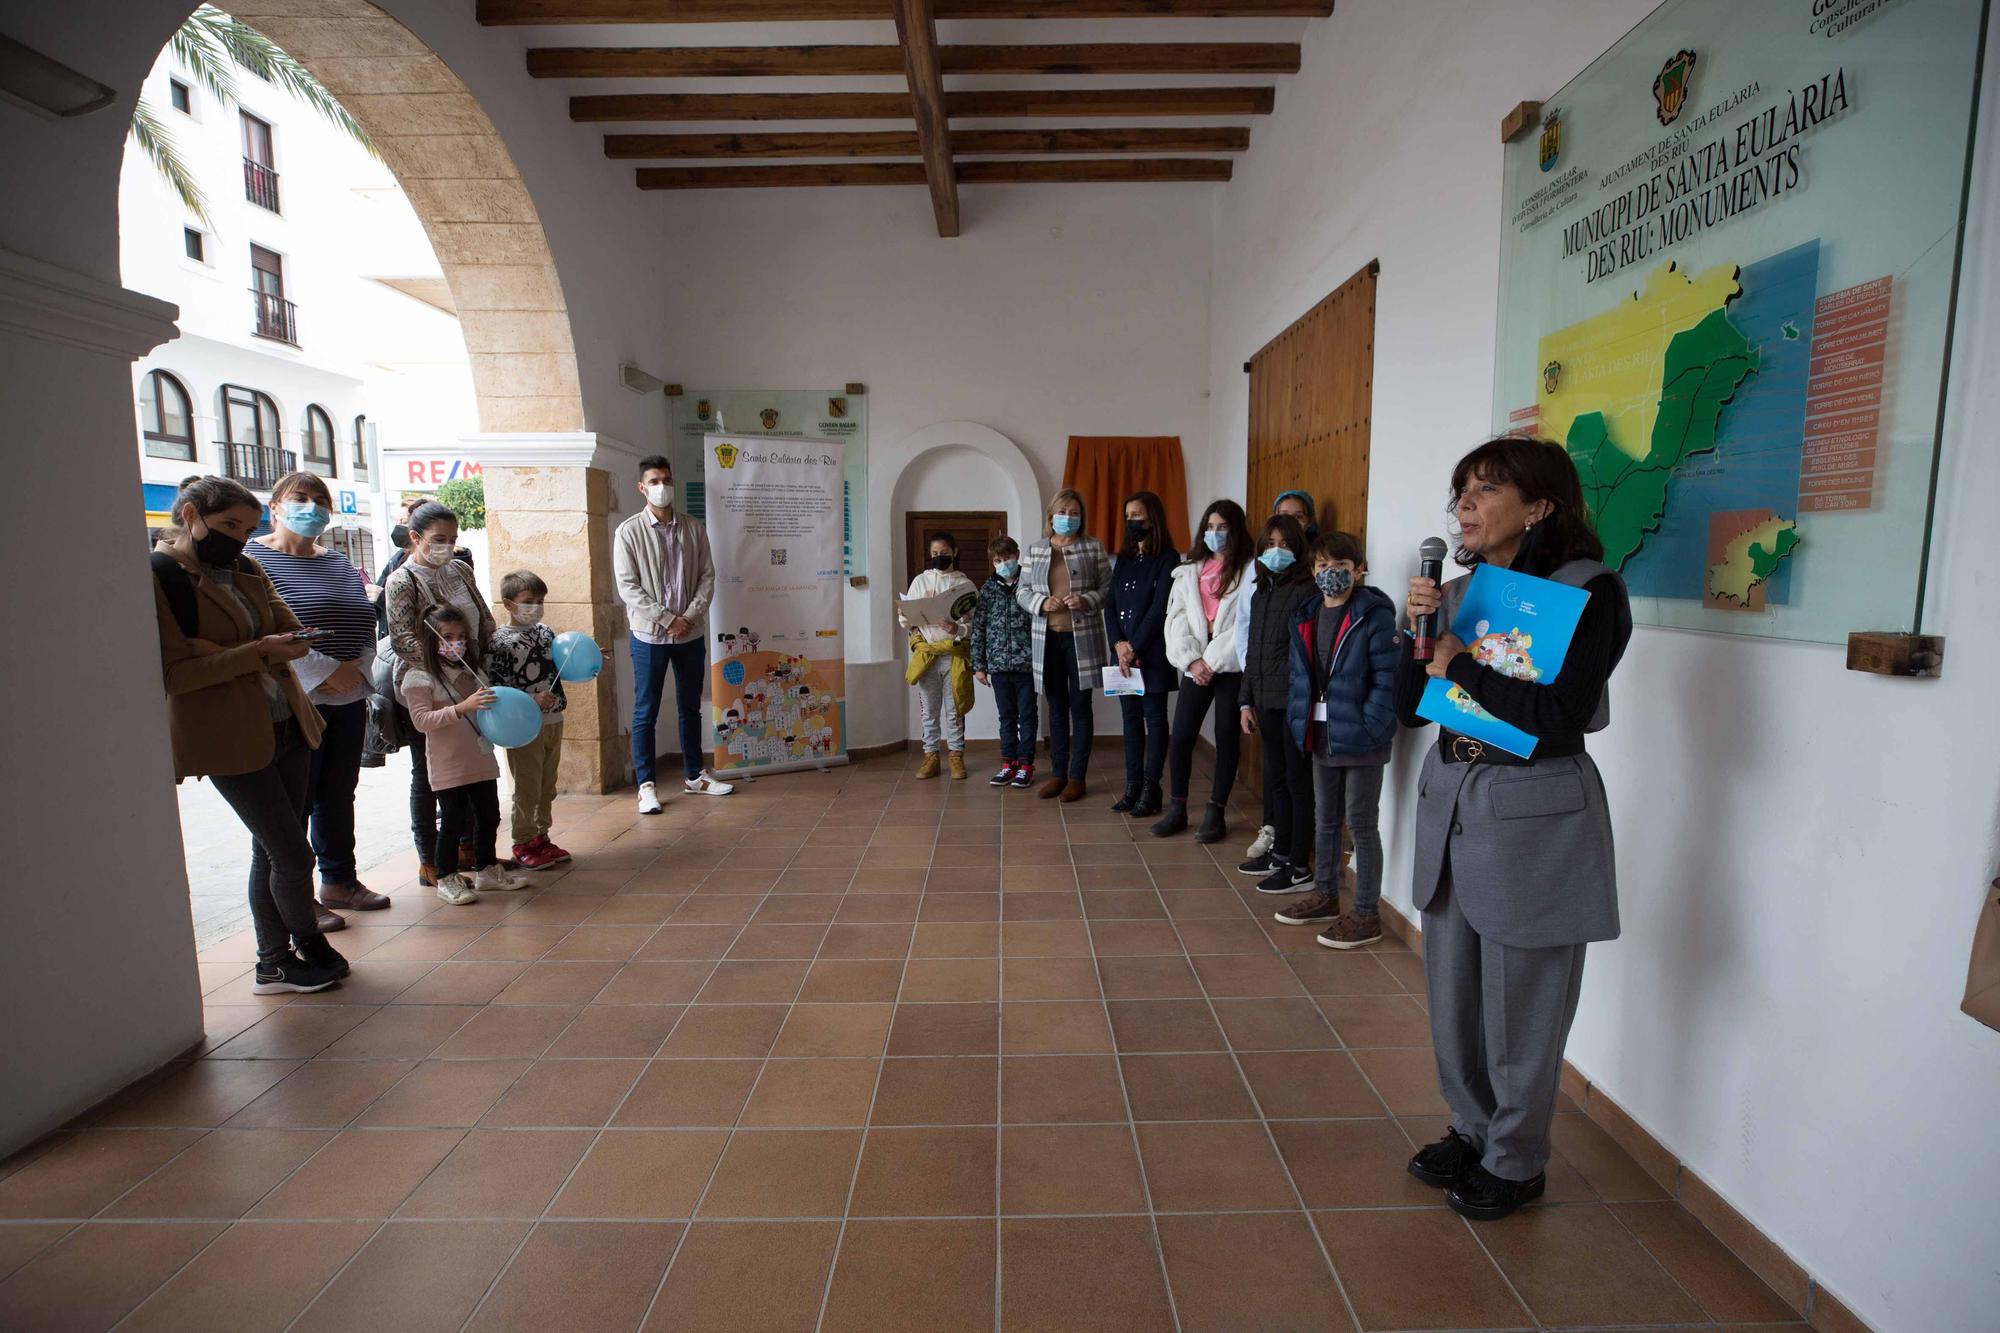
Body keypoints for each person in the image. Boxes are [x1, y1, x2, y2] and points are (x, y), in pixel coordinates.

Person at [1396, 436, 1633, 1222]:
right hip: (1456, 796)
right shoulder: (1459, 592)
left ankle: (1517, 1157)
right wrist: (1418, 635)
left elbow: (1560, 714)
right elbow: (1411, 703)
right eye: (1460, 488)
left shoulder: (1589, 590)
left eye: (1485, 488)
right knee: (1455, 989)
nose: (1464, 503)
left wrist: (1459, 662)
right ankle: (1472, 1127)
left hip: (1534, 808)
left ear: (1539, 506)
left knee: (1523, 1000)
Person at [152, 475, 346, 994]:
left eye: (247, 527)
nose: (239, 537)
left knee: (271, 848)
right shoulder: (163, 575)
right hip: (229, 735)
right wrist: (256, 651)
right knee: (291, 852)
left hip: (286, 721)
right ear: (191, 515)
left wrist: (223, 652)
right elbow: (174, 675)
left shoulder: (245, 566)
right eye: (228, 525)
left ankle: (274, 959)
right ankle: (304, 945)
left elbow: (295, 635)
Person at [246, 471, 389, 929]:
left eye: (318, 500)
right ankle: (298, 898)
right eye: (299, 498)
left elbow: (363, 617)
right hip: (295, 700)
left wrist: (356, 669)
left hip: (346, 697)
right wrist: (325, 671)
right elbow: (263, 628)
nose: (310, 507)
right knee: (297, 801)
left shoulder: (338, 561)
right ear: (275, 507)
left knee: (336, 793)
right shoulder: (254, 561)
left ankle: (339, 881)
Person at [1271, 531, 1398, 949]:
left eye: (1341, 567)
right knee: (1325, 820)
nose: (1331, 574)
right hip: (1320, 733)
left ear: (1358, 571)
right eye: (1323, 566)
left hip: (1362, 738)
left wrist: (1370, 725)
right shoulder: (1306, 614)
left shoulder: (1373, 614)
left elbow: (1386, 678)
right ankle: (1325, 895)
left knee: (1361, 825)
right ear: (1313, 570)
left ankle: (1366, 913)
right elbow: (1297, 677)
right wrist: (1298, 720)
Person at [614, 454, 734, 812]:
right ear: (642, 487)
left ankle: (695, 776)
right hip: (649, 636)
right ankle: (646, 785)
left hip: (690, 635)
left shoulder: (694, 529)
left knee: (689, 708)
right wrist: (667, 619)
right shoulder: (629, 531)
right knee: (645, 711)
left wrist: (690, 616)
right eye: (653, 481)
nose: (661, 487)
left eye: (665, 479)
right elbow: (627, 586)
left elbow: (707, 578)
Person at [386, 500, 494, 886]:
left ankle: (475, 852)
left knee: (474, 766)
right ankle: (431, 859)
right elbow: (403, 638)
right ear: (415, 538)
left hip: (469, 676)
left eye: (452, 538)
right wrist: (446, 667)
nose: (446, 545)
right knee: (430, 771)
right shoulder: (402, 580)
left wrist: (479, 664)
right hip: (427, 684)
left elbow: (483, 616)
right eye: (437, 539)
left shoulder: (460, 569)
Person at [402, 606, 530, 904]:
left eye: (460, 637)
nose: (454, 643)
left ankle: (486, 870)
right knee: (453, 820)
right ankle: (446, 877)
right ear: (430, 640)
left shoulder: (473, 673)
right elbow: (422, 721)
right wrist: (462, 708)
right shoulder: (419, 677)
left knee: (488, 815)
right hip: (449, 763)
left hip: (480, 758)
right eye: (447, 637)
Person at [1153, 500, 1255, 842]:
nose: (1214, 533)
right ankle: (1177, 808)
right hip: (1195, 664)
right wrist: (1191, 659)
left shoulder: (1251, 571)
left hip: (1230, 664)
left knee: (1226, 737)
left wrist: (1213, 659)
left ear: (1236, 530)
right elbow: (1176, 618)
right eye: (1210, 527)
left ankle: (1216, 811)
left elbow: (1246, 624)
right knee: (1181, 736)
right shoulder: (1190, 570)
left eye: (1222, 527)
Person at [1240, 488, 1322, 871]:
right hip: (1263, 699)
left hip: (1292, 702)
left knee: (1296, 783)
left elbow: (1307, 655)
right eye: (1269, 543)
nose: (1276, 550)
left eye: (1285, 543)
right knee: (1276, 782)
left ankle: (1297, 861)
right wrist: (1245, 700)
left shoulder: (1307, 591)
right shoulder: (1261, 592)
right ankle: (1280, 851)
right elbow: (1252, 648)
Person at [1017, 489, 1110, 801]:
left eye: (1074, 512)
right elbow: (1022, 591)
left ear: (1080, 517)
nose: (1068, 517)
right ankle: (1057, 774)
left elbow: (1107, 589)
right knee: (1055, 707)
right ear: (1050, 516)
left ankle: (1076, 777)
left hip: (1082, 639)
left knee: (1081, 707)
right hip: (1048, 641)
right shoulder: (1036, 550)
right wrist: (1042, 603)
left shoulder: (1092, 547)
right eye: (1063, 511)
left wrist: (1085, 599)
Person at [487, 569, 572, 870]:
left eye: (540, 600)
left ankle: (541, 835)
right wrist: (529, 700)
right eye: (527, 601)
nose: (535, 607)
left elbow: (559, 663)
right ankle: (522, 841)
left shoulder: (545, 633)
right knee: (527, 785)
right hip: (524, 727)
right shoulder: (500, 642)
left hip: (553, 720)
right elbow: (498, 685)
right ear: (509, 604)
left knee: (547, 784)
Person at [1105, 491, 1177, 817]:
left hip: (1151, 655)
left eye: (1140, 516)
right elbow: (1110, 604)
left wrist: (1133, 647)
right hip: (1123, 657)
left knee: (1155, 719)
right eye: (1129, 516)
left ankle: (1152, 786)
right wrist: (1118, 644)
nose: (1134, 522)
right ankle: (1132, 786)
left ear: (1153, 519)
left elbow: (1159, 608)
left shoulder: (1168, 558)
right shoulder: (1123, 559)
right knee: (1130, 721)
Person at [899, 531, 977, 780]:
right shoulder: (921, 581)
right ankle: (930, 756)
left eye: (943, 553)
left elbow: (975, 623)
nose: (938, 557)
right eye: (934, 554)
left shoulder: (965, 585)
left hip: (954, 654)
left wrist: (958, 629)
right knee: (929, 710)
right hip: (928, 655)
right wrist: (910, 617)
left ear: (954, 553)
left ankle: (956, 756)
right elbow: (905, 617)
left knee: (955, 710)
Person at [970, 535, 1037, 788]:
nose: (1003, 563)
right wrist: (978, 665)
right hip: (998, 667)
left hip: (1027, 665)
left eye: (1007, 557)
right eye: (998, 560)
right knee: (1006, 717)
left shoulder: (1029, 584)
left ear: (1017, 555)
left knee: (1027, 716)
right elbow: (979, 628)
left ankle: (1026, 765)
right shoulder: (988, 588)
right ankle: (1009, 764)